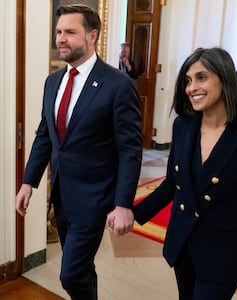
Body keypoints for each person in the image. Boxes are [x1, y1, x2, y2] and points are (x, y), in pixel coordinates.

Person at [131, 47, 237, 299]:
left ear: (224, 80)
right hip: (183, 243)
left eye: (201, 77)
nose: (191, 87)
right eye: (188, 80)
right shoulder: (183, 126)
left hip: (222, 254)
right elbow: (171, 185)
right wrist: (133, 214)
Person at [15, 4, 142, 300]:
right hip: (62, 195)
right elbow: (45, 136)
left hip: (96, 198)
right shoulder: (53, 82)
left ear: (91, 35)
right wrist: (28, 182)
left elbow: (130, 149)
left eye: (70, 32)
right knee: (82, 268)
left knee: (70, 272)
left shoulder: (117, 85)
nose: (61, 38)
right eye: (59, 32)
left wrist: (124, 203)